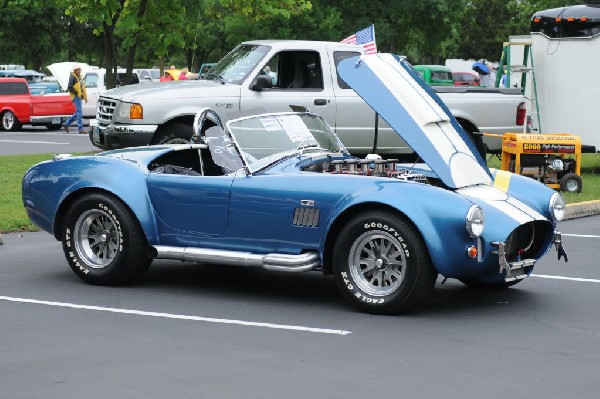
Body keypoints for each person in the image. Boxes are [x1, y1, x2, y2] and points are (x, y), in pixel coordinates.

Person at [63, 64, 88, 134]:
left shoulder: (79, 77)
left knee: (77, 113)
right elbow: (70, 87)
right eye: (78, 69)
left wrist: (84, 96)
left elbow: (81, 87)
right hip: (76, 96)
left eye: (80, 69)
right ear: (75, 70)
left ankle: (66, 124)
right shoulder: (72, 78)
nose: (80, 71)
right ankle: (80, 129)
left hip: (79, 96)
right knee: (79, 112)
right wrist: (76, 93)